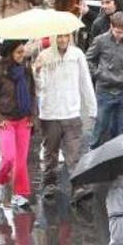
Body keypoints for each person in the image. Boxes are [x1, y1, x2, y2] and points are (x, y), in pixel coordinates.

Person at [32, 33, 97, 198]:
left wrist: (92, 108)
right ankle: (49, 184)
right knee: (50, 153)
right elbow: (39, 88)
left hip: (71, 112)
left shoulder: (77, 55)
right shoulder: (44, 56)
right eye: (58, 37)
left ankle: (78, 187)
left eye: (65, 37)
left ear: (70, 37)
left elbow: (85, 81)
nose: (62, 40)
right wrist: (37, 72)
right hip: (50, 113)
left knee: (74, 153)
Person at [0, 40, 36, 209]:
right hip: (6, 120)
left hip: (23, 121)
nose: (22, 55)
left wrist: (32, 117)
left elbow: (33, 94)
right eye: (19, 52)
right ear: (10, 53)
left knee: (20, 161)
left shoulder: (27, 70)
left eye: (23, 52)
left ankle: (19, 194)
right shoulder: (0, 71)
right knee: (9, 157)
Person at [86, 12, 123, 148]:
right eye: (117, 32)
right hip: (105, 90)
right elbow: (88, 60)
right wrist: (100, 74)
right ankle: (92, 157)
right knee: (100, 127)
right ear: (111, 26)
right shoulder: (100, 40)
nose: (120, 35)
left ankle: (122, 158)